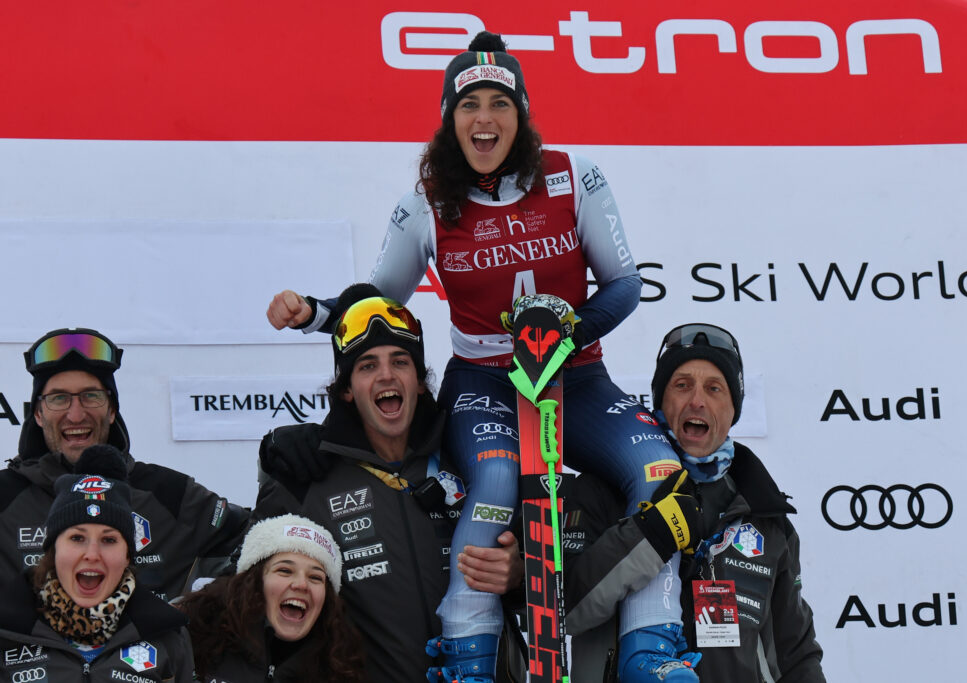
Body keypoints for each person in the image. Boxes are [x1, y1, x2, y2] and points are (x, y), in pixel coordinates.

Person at [266, 31, 696, 682]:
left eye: (500, 102)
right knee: (494, 483)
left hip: (574, 378)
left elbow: (626, 284)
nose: (485, 118)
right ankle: (467, 658)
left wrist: (566, 334)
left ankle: (650, 652)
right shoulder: (427, 202)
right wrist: (315, 313)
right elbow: (379, 301)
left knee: (662, 472)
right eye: (469, 106)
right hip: (487, 384)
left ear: (520, 114)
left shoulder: (572, 174)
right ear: (449, 120)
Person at [257, 286, 526, 682]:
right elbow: (250, 599)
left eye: (400, 361)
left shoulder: (476, 465)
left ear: (419, 381)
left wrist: (518, 576)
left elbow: (558, 579)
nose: (386, 374)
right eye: (367, 365)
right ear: (347, 390)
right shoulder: (305, 475)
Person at [563, 323, 826, 682]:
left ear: (733, 409)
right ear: (659, 401)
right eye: (682, 385)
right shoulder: (600, 491)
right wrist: (650, 533)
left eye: (714, 389)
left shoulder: (765, 514)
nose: (697, 401)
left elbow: (796, 653)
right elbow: (566, 608)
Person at [0, 327, 250, 601]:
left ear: (112, 410)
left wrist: (202, 615)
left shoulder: (169, 494)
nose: (75, 414)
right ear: (37, 413)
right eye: (58, 398)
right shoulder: (5, 498)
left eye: (91, 396)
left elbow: (266, 542)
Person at [0, 445, 194, 681]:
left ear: (127, 556)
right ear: (54, 550)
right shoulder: (7, 631)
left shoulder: (167, 635)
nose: (92, 554)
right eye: (77, 538)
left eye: (109, 540)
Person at [179, 513, 364, 682]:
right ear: (253, 582)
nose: (301, 584)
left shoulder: (339, 668)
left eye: (315, 577)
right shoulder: (190, 634)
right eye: (285, 570)